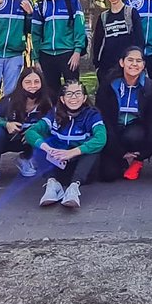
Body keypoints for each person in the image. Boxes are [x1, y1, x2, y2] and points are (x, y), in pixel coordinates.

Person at [28, 80, 107, 208]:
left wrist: (72, 152)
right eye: (69, 94)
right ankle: (52, 184)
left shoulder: (92, 114)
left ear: (84, 97)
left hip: (82, 170)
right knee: (41, 144)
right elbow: (31, 132)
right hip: (58, 165)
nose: (73, 98)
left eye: (77, 93)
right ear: (62, 99)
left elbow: (101, 139)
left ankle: (74, 189)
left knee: (93, 149)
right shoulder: (53, 113)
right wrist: (48, 149)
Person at [95, 47, 152, 182]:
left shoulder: (151, 88)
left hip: (134, 132)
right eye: (130, 60)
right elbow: (103, 118)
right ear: (122, 62)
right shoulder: (109, 84)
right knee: (108, 175)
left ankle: (136, 160)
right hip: (112, 132)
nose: (134, 64)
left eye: (139, 61)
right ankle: (123, 158)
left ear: (143, 65)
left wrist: (146, 152)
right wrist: (119, 151)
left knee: (134, 135)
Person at [0, 65, 53, 185]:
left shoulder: (48, 101)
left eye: (36, 82)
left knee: (46, 133)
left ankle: (26, 158)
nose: (32, 86)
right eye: (28, 82)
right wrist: (5, 124)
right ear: (21, 84)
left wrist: (35, 130)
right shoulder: (9, 101)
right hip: (8, 139)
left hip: (30, 141)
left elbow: (55, 122)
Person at [31, 0, 88, 97]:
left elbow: (79, 27)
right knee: (50, 92)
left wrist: (77, 51)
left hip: (68, 53)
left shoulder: (71, 0)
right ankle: (54, 116)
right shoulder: (40, 5)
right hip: (46, 55)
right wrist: (36, 58)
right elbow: (35, 34)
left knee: (72, 88)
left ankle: (73, 115)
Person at [92, 0, 144, 76]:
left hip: (127, 65)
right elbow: (97, 42)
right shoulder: (104, 17)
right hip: (107, 66)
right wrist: (97, 65)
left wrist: (137, 60)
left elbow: (139, 39)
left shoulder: (131, 13)